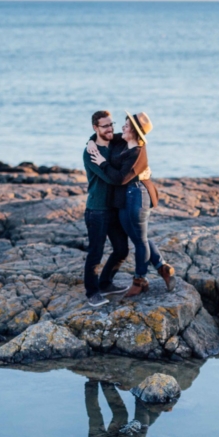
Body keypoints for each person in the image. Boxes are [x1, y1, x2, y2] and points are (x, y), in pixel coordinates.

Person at [87, 111, 175, 298]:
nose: (121, 128)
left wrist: (103, 163)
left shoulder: (137, 152)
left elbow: (119, 178)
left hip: (135, 195)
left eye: (125, 125)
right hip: (124, 198)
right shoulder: (122, 142)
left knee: (139, 239)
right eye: (123, 124)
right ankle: (161, 266)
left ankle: (140, 280)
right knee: (138, 236)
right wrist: (90, 141)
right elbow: (101, 134)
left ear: (134, 132)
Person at [81, 110, 131, 307]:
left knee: (121, 249)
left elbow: (135, 136)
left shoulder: (116, 142)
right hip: (97, 210)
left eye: (111, 124)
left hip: (114, 209)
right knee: (95, 252)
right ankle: (92, 292)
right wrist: (91, 142)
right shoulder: (91, 152)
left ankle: (106, 283)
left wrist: (90, 138)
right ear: (96, 128)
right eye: (105, 126)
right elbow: (111, 178)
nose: (110, 129)